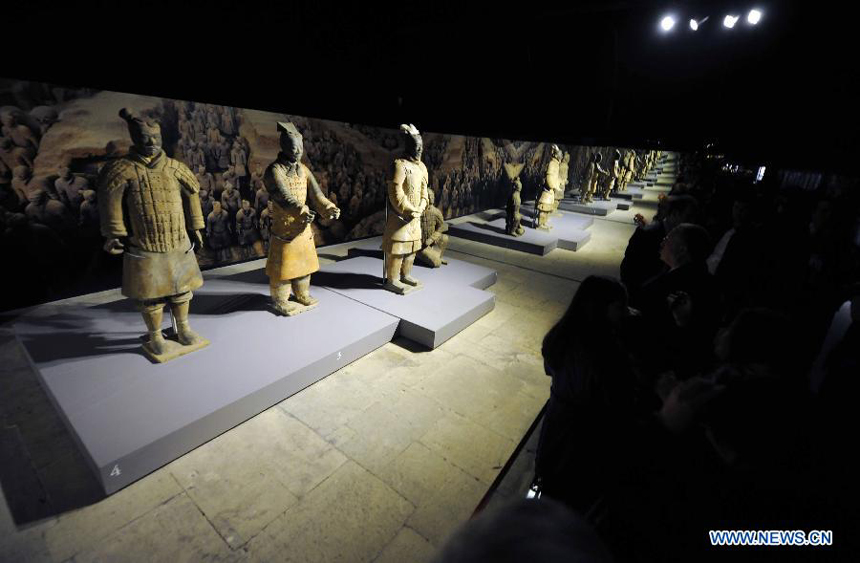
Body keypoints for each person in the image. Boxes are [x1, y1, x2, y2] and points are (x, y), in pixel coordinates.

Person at [98, 108, 206, 360]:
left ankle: (184, 328)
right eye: (145, 137)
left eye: (155, 137)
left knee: (182, 290)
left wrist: (197, 227)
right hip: (144, 243)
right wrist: (114, 233)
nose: (151, 143)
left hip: (178, 240)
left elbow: (192, 196)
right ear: (134, 137)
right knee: (150, 295)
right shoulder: (121, 169)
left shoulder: (175, 168)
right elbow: (110, 201)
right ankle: (156, 335)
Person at [536, 275, 640, 512]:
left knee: (552, 492)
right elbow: (619, 402)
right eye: (620, 306)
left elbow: (550, 369)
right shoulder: (606, 355)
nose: (626, 312)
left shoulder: (559, 337)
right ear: (600, 308)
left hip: (556, 427)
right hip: (586, 437)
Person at [381, 124, 428, 294]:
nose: (419, 150)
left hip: (415, 217)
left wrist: (422, 205)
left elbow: (424, 191)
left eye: (421, 147)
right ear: (408, 147)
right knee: (398, 250)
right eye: (416, 147)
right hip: (400, 217)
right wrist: (408, 209)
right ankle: (393, 279)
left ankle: (406, 274)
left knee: (413, 249)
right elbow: (395, 193)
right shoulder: (398, 165)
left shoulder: (422, 167)